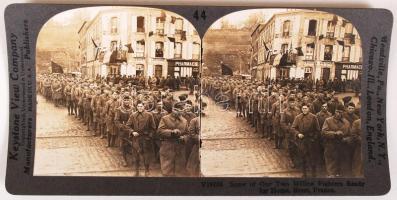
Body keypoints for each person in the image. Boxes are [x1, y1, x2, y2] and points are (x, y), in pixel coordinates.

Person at [157, 102, 189, 176]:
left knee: (179, 170)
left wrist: (184, 138)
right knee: (167, 170)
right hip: (168, 146)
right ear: (173, 109)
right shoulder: (165, 118)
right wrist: (171, 132)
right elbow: (159, 131)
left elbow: (188, 134)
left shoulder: (184, 121)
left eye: (181, 111)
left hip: (180, 147)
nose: (179, 112)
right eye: (177, 110)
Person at [126, 103, 157, 176]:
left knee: (146, 155)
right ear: (136, 107)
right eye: (138, 106)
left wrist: (149, 136)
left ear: (144, 106)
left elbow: (153, 128)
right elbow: (128, 126)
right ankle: (136, 171)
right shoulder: (133, 115)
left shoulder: (149, 115)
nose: (140, 108)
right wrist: (132, 132)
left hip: (145, 138)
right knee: (136, 154)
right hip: (136, 138)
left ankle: (147, 171)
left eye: (141, 106)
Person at [291, 104, 321, 177]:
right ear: (301, 109)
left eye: (306, 108)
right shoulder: (298, 117)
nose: (304, 110)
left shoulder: (313, 117)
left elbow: (317, 129)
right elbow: (293, 128)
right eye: (303, 108)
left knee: (312, 156)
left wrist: (314, 138)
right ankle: (304, 173)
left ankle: (313, 173)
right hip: (302, 139)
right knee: (303, 156)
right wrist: (298, 134)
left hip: (311, 140)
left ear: (308, 109)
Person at [321, 104, 351, 177]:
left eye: (341, 112)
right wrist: (335, 133)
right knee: (331, 167)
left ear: (343, 112)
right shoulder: (328, 120)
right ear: (334, 111)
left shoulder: (347, 122)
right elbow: (323, 132)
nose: (339, 114)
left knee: (341, 167)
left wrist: (346, 139)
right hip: (331, 146)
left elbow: (350, 135)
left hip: (342, 147)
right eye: (337, 112)